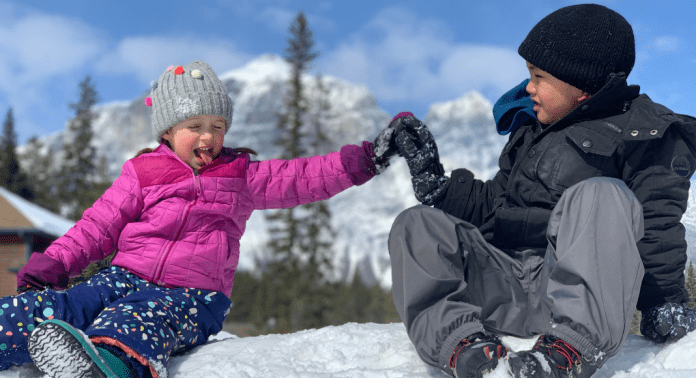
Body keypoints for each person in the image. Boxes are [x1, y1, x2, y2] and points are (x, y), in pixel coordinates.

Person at [0, 60, 399, 378]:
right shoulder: (143, 173)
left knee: (134, 322)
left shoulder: (240, 177)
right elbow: (98, 226)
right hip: (122, 278)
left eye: (218, 127)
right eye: (196, 127)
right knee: (57, 306)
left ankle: (103, 369)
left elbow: (303, 177)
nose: (209, 137)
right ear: (169, 131)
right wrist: (54, 264)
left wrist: (366, 159)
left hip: (190, 296)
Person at [386, 4, 696, 378]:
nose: (528, 87)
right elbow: (496, 208)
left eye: (539, 76)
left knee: (602, 194)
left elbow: (657, 224)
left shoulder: (646, 132)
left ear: (581, 86)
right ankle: (465, 348)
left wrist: (664, 302)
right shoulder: (533, 129)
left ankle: (568, 352)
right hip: (504, 287)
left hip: (570, 294)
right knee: (415, 225)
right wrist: (438, 187)